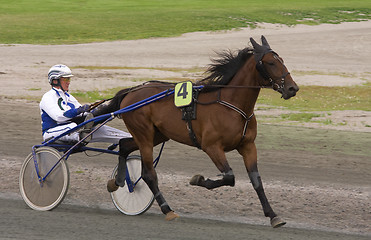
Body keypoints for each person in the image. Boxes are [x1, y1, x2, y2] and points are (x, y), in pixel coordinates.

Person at [40, 64, 131, 144]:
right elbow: (59, 117)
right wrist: (78, 110)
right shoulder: (48, 97)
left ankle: (128, 138)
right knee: (73, 126)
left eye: (69, 79)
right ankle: (81, 135)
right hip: (53, 132)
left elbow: (83, 113)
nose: (68, 82)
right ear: (55, 80)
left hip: (73, 129)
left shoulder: (68, 97)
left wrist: (97, 112)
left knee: (100, 128)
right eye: (65, 79)